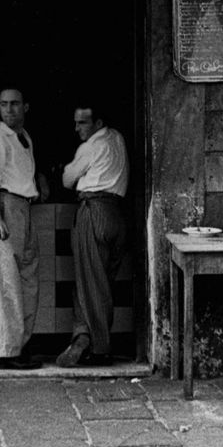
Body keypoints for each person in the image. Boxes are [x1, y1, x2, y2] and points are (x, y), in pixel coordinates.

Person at [0, 88, 50, 370]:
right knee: (5, 282)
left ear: (26, 107)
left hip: (23, 208)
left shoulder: (24, 138)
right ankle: (2, 352)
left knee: (27, 279)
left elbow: (23, 170)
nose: (9, 110)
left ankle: (17, 346)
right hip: (3, 207)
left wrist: (40, 179)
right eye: (4, 104)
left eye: (15, 104)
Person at [55, 103, 129, 368]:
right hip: (116, 214)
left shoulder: (91, 146)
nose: (77, 128)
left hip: (93, 210)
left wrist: (70, 169)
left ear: (98, 123)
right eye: (76, 122)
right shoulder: (117, 139)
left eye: (83, 123)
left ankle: (97, 346)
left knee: (89, 282)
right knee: (101, 282)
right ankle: (85, 336)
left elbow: (66, 179)